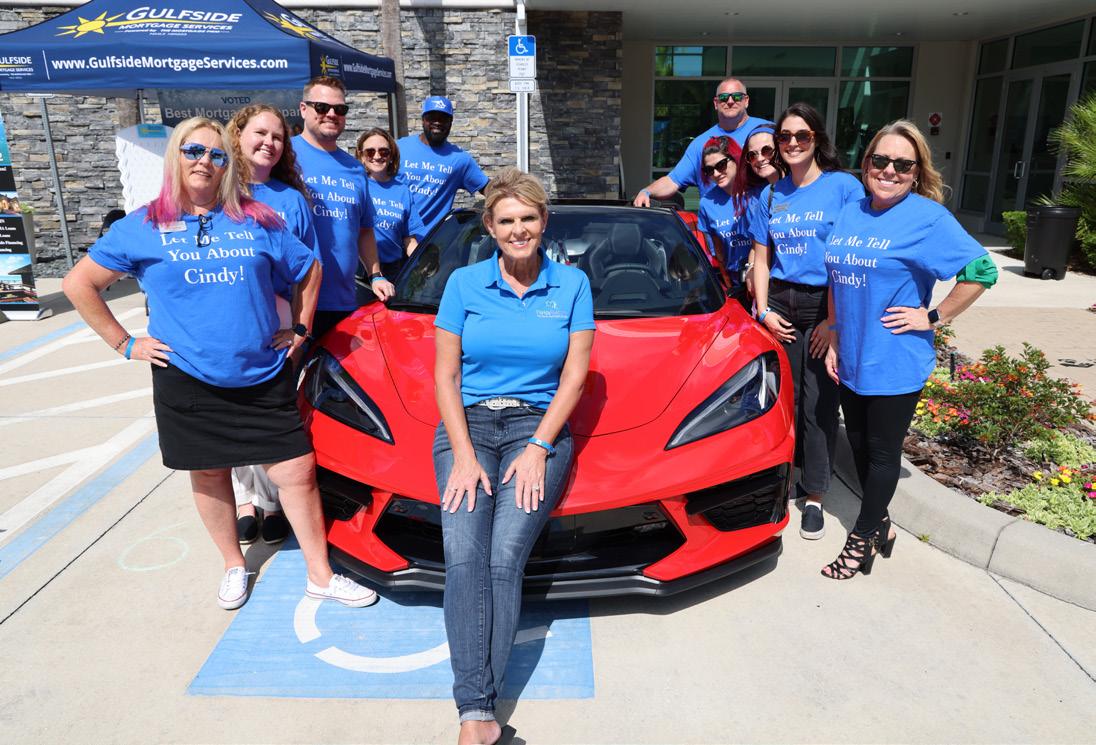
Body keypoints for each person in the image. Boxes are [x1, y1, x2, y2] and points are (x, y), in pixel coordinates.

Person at [62, 116, 377, 610]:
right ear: (175, 156)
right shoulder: (142, 226)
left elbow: (309, 268)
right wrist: (124, 343)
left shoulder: (255, 217)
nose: (204, 162)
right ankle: (234, 564)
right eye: (193, 151)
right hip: (187, 377)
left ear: (228, 164)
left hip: (262, 372)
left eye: (216, 154)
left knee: (296, 472)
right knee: (209, 474)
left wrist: (299, 329)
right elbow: (79, 283)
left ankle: (320, 574)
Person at [432, 168, 595, 745]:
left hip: (537, 426)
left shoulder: (572, 285)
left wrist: (538, 448)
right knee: (462, 555)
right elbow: (446, 377)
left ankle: (477, 713)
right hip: (469, 426)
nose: (518, 229)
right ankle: (476, 714)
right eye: (507, 220)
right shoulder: (463, 284)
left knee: (503, 558)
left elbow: (574, 378)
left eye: (528, 217)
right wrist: (463, 454)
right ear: (490, 227)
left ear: (544, 221)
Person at [822, 120, 996, 579]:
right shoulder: (851, 211)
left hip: (896, 357)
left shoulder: (928, 219)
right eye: (881, 160)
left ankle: (861, 539)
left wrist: (933, 316)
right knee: (858, 445)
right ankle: (882, 526)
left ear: (916, 173)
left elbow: (982, 271)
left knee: (882, 454)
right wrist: (835, 334)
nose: (890, 171)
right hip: (852, 353)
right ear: (867, 164)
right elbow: (837, 279)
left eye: (903, 164)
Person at [748, 103, 864, 542]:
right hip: (780, 302)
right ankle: (789, 477)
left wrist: (834, 321)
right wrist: (763, 311)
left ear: (817, 138)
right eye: (785, 137)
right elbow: (762, 259)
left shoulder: (842, 187)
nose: (792, 143)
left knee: (819, 401)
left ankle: (815, 494)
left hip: (822, 304)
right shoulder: (770, 195)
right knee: (785, 400)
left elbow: (851, 254)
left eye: (802, 135)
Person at [226, 103, 320, 546]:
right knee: (232, 408)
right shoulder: (218, 189)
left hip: (278, 314)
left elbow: (308, 268)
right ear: (238, 135)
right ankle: (245, 499)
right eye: (260, 133)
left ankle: (271, 501)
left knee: (270, 409)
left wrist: (300, 327)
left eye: (278, 136)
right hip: (230, 314)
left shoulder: (291, 199)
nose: (269, 143)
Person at [293, 76, 392, 341]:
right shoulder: (285, 156)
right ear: (303, 109)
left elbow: (364, 229)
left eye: (340, 109)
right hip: (293, 301)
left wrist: (375, 276)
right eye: (322, 107)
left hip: (342, 302)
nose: (331, 114)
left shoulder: (355, 168)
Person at [634, 78, 769, 207]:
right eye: (723, 97)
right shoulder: (700, 144)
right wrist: (646, 192)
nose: (730, 101)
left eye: (737, 96)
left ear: (746, 101)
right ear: (716, 103)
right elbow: (673, 181)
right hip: (714, 219)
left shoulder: (767, 132)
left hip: (759, 218)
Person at [397, 96, 489, 237]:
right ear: (423, 119)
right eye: (432, 117)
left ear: (451, 122)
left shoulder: (460, 159)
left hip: (428, 243)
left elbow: (487, 187)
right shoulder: (399, 148)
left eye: (443, 118)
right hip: (393, 236)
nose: (437, 122)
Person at [355, 127, 426, 281]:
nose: (377, 156)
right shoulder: (355, 185)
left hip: (393, 270)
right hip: (360, 269)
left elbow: (409, 239)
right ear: (361, 156)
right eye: (370, 152)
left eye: (384, 152)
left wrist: (422, 264)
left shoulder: (402, 191)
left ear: (391, 155)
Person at [733, 125, 784, 295]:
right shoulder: (757, 197)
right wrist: (751, 269)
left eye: (767, 151)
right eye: (752, 155)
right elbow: (757, 246)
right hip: (770, 286)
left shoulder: (802, 189)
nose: (760, 158)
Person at [696, 136, 751, 289]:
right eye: (709, 170)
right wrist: (729, 285)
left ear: (736, 159)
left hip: (767, 278)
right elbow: (718, 253)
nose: (716, 173)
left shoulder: (758, 192)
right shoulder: (707, 203)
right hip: (736, 281)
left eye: (721, 165)